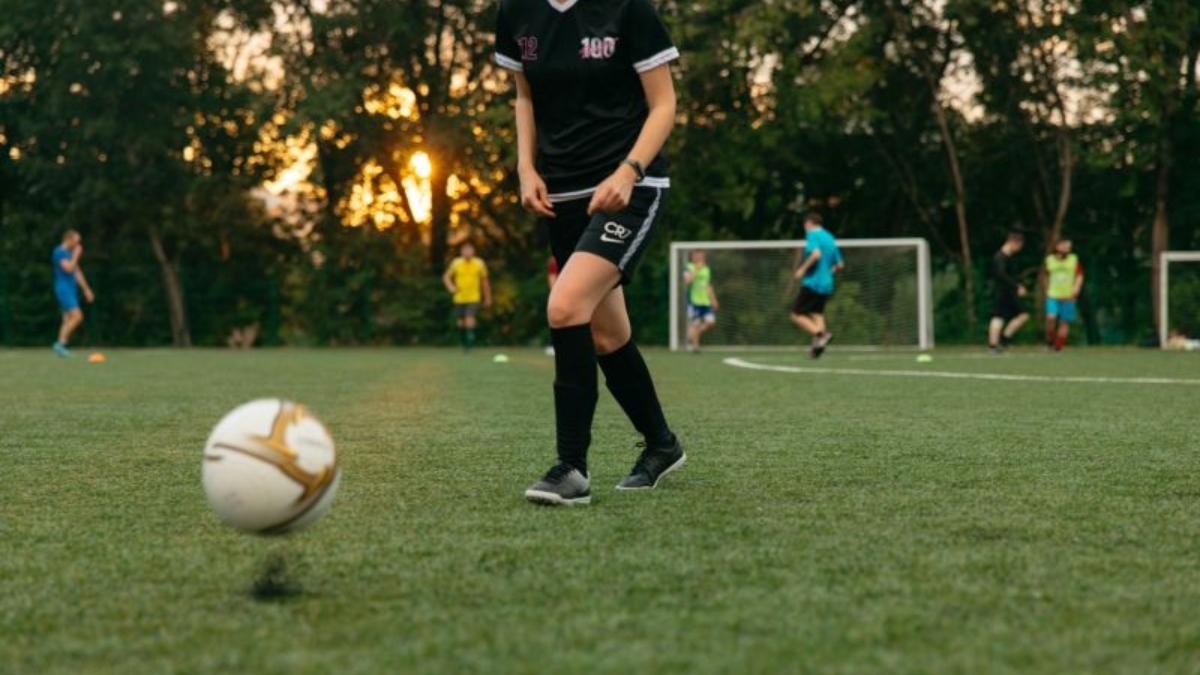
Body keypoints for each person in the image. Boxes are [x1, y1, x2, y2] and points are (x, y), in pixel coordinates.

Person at [495, 0, 685, 505]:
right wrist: (525, 168)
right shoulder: (517, 11)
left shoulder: (626, 8)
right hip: (561, 196)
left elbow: (664, 104)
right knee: (607, 333)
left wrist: (629, 171)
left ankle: (571, 468)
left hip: (628, 187)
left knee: (564, 305)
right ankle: (662, 445)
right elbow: (524, 97)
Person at [790, 212, 843, 359]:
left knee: (796, 314)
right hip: (827, 283)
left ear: (809, 223)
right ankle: (816, 351)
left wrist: (802, 269)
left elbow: (816, 254)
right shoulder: (830, 237)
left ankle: (821, 335)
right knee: (816, 314)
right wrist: (827, 272)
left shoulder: (813, 234)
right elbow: (839, 264)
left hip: (813, 282)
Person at [51, 229, 95, 357]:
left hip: (71, 288)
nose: (78, 245)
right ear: (68, 240)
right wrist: (76, 255)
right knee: (77, 316)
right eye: (76, 242)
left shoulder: (69, 253)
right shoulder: (59, 252)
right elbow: (69, 268)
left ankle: (61, 347)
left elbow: (77, 272)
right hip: (63, 288)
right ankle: (59, 344)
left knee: (67, 319)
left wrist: (86, 289)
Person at [441, 243, 491, 351]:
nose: (468, 253)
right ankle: (464, 343)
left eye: (470, 251)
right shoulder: (456, 263)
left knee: (469, 319)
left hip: (473, 297)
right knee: (461, 322)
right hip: (459, 298)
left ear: (473, 252)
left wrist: (487, 297)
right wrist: (451, 287)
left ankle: (469, 345)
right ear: (462, 252)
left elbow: (485, 281)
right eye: (465, 251)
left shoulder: (479, 263)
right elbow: (446, 277)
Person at [988, 232, 1030, 352]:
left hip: (1008, 292)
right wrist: (1016, 286)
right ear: (1013, 242)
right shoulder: (999, 257)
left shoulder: (1007, 257)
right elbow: (1001, 275)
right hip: (1003, 292)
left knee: (1022, 315)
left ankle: (1003, 339)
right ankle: (995, 343)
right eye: (1019, 246)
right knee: (999, 317)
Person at [1043, 238, 1083, 352]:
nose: (1067, 249)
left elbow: (1079, 275)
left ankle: (1058, 346)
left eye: (1069, 247)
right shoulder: (1049, 260)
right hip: (1053, 295)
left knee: (1064, 321)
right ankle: (1050, 340)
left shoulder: (1073, 259)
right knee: (1051, 317)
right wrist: (1046, 290)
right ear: (1057, 246)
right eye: (1065, 246)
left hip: (1068, 296)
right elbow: (1046, 275)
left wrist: (1076, 288)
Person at [684, 250, 718, 351]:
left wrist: (713, 299)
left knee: (711, 323)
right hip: (694, 301)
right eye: (696, 256)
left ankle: (692, 337)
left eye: (700, 256)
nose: (699, 258)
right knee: (696, 323)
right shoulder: (689, 267)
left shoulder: (706, 269)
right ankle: (695, 345)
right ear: (693, 257)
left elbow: (707, 285)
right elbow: (688, 281)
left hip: (706, 301)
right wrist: (696, 269)